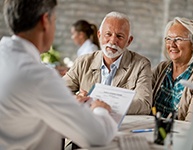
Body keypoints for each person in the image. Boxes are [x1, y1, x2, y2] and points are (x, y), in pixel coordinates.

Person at [0, 0, 117, 150]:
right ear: (45, 21)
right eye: (54, 21)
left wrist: (67, 101)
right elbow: (99, 135)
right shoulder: (38, 77)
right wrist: (100, 108)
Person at [63, 11, 153, 115]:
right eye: (108, 34)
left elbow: (144, 104)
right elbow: (58, 91)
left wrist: (106, 105)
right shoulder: (82, 62)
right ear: (99, 35)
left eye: (119, 36)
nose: (113, 41)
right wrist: (75, 98)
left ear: (129, 41)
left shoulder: (141, 65)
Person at [152, 17, 193, 121]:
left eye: (178, 39)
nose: (172, 45)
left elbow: (191, 123)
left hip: (178, 135)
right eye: (168, 39)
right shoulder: (162, 68)